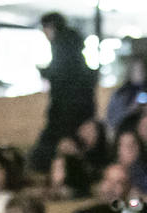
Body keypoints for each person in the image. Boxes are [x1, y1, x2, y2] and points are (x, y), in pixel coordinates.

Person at [31, 12, 98, 173]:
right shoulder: (72, 45)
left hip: (67, 118)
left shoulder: (61, 46)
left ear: (51, 27)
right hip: (78, 115)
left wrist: (65, 134)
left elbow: (64, 91)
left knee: (42, 158)